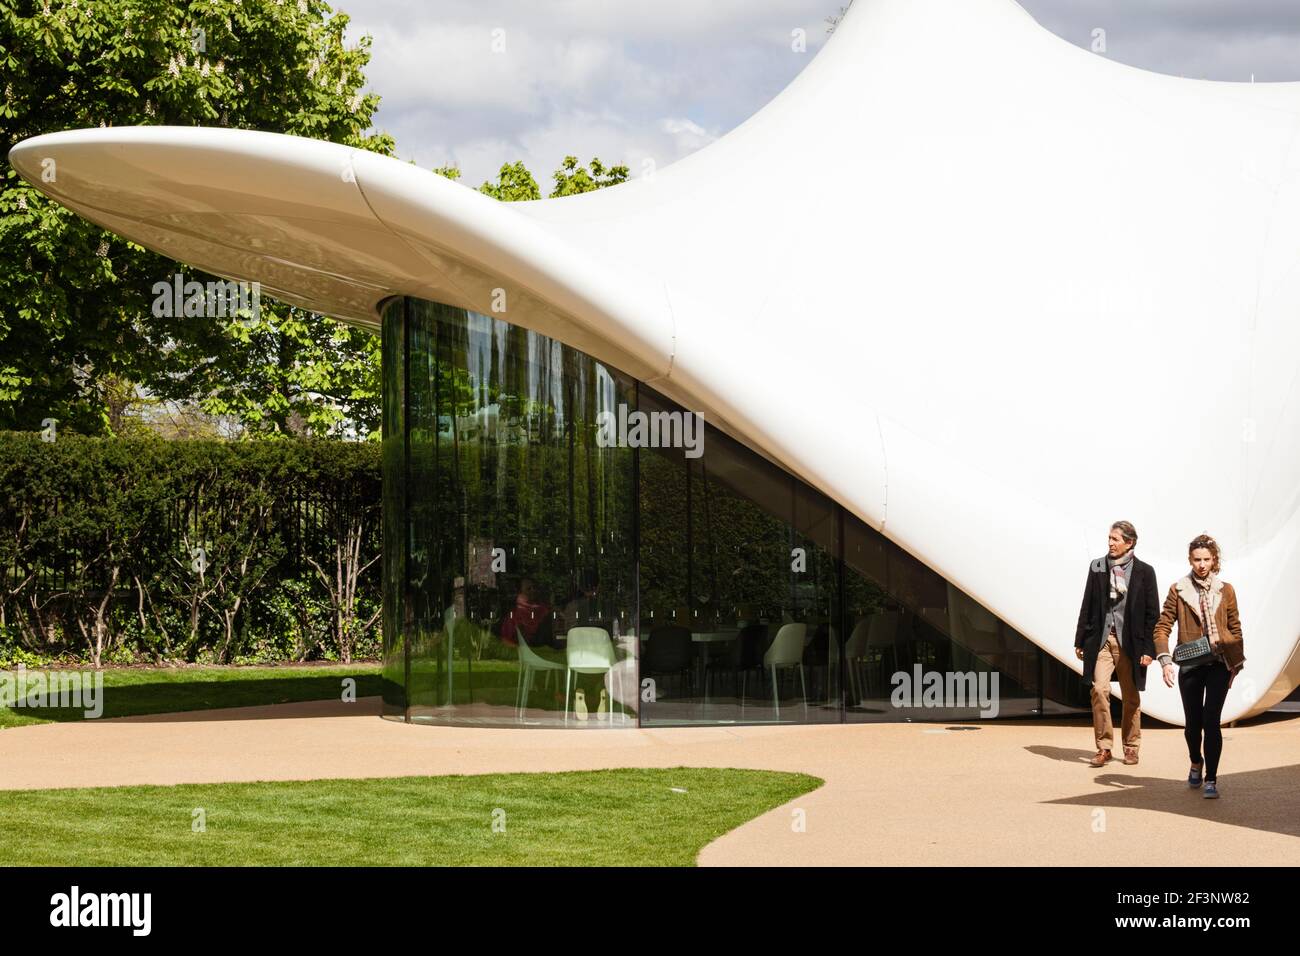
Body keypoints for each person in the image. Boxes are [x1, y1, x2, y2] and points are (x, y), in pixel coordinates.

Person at [1153, 533, 1246, 799]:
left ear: (1214, 560)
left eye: (1206, 559)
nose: (1201, 564)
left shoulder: (1226, 590)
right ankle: (1196, 761)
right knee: (1193, 723)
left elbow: (1236, 629)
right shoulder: (1179, 589)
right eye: (1196, 559)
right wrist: (1165, 661)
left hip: (1219, 663)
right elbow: (1162, 626)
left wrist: (1234, 665)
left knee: (1211, 721)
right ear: (1190, 560)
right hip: (1191, 664)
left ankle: (1212, 780)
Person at [1074, 521, 1158, 768]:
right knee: (1099, 690)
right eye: (1109, 538)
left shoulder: (1145, 572)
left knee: (1130, 696)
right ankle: (1104, 747)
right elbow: (1087, 604)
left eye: (1115, 539)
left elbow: (1153, 614)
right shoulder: (1097, 567)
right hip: (1101, 641)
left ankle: (1131, 747)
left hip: (1130, 644)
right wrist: (1080, 639)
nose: (1110, 543)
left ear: (1129, 543)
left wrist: (1149, 650)